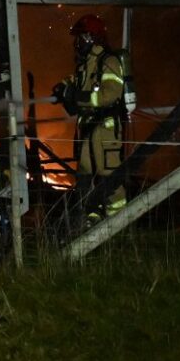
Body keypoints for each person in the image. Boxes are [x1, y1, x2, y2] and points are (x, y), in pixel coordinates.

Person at [53, 14, 129, 223]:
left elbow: (109, 94)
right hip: (88, 127)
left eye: (80, 37)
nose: (76, 43)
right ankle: (90, 218)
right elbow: (77, 81)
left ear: (91, 37)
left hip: (105, 128)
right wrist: (63, 87)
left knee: (109, 174)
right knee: (85, 174)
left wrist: (77, 97)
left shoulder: (109, 61)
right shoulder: (86, 64)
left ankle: (118, 222)